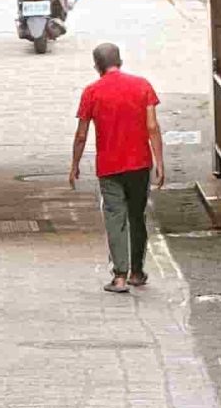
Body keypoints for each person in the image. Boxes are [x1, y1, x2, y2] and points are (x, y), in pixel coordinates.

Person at [69, 42, 164, 294]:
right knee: (137, 216)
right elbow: (152, 126)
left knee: (114, 217)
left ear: (97, 66)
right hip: (140, 164)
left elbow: (81, 134)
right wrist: (160, 162)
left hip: (109, 167)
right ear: (120, 61)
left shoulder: (92, 92)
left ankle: (119, 277)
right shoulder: (142, 85)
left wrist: (75, 164)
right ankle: (137, 272)